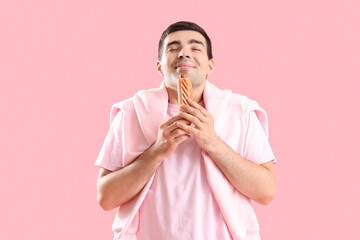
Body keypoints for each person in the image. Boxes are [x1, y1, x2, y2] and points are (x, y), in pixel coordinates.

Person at [95, 21, 276, 240]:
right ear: (160, 66)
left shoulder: (240, 112)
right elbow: (106, 197)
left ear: (210, 65)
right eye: (173, 48)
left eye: (195, 47)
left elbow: (266, 191)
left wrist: (213, 143)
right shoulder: (130, 114)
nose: (183, 53)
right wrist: (157, 150)